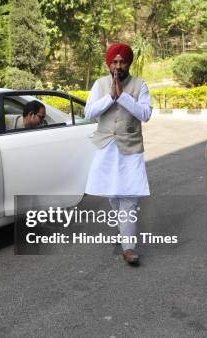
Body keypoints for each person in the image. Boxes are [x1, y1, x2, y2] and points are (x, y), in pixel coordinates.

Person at [84, 43, 152, 266]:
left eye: (123, 62)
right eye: (114, 61)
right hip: (106, 148)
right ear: (108, 63)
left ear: (129, 63)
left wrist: (123, 96)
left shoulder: (139, 85)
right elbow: (89, 113)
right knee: (113, 196)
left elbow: (145, 114)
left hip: (130, 149)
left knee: (129, 198)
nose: (118, 66)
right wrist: (110, 97)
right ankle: (123, 229)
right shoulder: (100, 84)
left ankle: (129, 248)